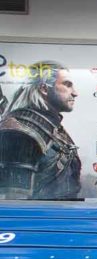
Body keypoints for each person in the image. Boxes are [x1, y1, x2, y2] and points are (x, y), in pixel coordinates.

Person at [0, 61, 81, 200]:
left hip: (62, 216)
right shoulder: (21, 133)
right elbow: (15, 202)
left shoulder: (51, 126)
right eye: (67, 85)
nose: (75, 93)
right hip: (40, 219)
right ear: (44, 89)